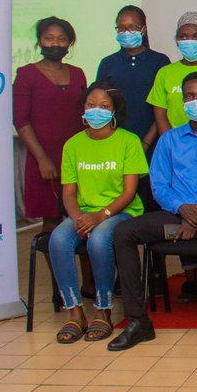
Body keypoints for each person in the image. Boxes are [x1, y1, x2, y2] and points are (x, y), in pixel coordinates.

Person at [108, 72, 197, 352]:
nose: (194, 101)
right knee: (124, 231)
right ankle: (138, 321)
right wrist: (182, 209)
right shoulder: (169, 140)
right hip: (176, 218)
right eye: (188, 96)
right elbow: (160, 186)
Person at [50, 81, 147, 344]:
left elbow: (128, 193)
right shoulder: (73, 145)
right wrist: (78, 217)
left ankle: (103, 310)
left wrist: (99, 216)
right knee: (57, 239)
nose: (96, 110)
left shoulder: (129, 141)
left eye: (104, 106)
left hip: (120, 212)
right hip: (83, 212)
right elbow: (68, 192)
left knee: (100, 238)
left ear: (114, 112)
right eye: (91, 104)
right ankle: (75, 312)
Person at [14, 16, 88, 232]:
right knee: (51, 221)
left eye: (62, 39)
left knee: (84, 216)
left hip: (77, 156)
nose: (55, 44)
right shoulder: (26, 74)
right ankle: (60, 268)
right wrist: (42, 159)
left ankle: (88, 268)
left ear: (69, 43)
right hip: (44, 159)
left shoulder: (78, 73)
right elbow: (20, 120)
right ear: (39, 41)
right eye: (49, 38)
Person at [97, 5, 170, 153]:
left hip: (153, 143)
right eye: (121, 28)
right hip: (115, 142)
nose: (126, 32)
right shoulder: (107, 63)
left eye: (132, 27)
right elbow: (100, 105)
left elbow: (164, 106)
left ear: (143, 29)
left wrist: (145, 143)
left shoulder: (160, 61)